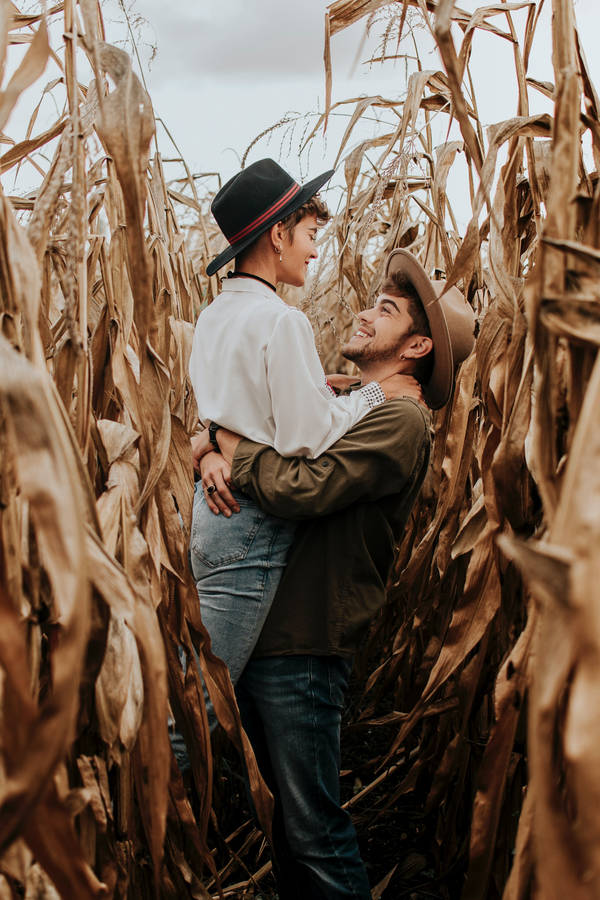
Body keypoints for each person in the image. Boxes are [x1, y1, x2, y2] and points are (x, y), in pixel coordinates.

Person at [201, 249, 476, 899]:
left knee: (316, 831)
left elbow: (304, 488)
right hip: (271, 636)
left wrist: (232, 453)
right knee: (290, 831)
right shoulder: (353, 403)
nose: (362, 311)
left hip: (305, 644)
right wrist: (208, 440)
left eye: (384, 310)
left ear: (414, 345)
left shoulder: (400, 421)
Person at [188, 158, 420, 690]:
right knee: (209, 696)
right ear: (276, 235)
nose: (315, 250)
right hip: (250, 517)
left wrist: (210, 447)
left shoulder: (212, 316)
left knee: (209, 683)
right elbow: (306, 438)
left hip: (210, 508)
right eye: (310, 235)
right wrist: (374, 395)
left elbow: (226, 412)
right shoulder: (282, 320)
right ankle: (158, 777)